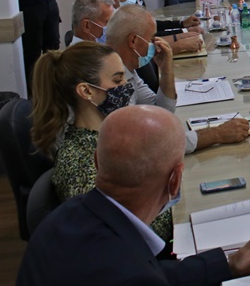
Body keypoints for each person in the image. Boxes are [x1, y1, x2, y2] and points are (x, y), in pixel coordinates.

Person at [16, 105, 250, 286]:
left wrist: (228, 265)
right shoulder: (126, 272)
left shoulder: (71, 214)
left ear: (98, 162)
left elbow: (155, 274)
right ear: (175, 180)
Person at [29, 42, 172, 240]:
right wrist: (168, 194)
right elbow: (120, 234)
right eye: (117, 80)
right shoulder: (78, 162)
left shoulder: (109, 139)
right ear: (87, 91)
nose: (126, 87)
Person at [106, 5, 249, 154]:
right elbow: (153, 146)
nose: (155, 44)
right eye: (151, 39)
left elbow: (161, 113)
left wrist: (166, 70)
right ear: (133, 41)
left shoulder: (128, 71)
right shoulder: (113, 84)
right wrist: (217, 134)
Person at [102, 0, 203, 56]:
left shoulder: (120, 13)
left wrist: (181, 26)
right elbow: (144, 47)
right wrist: (179, 40)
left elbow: (148, 28)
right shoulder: (109, 21)